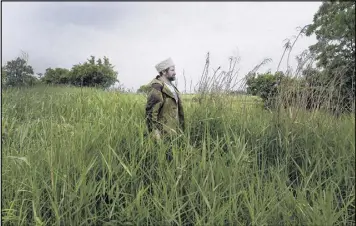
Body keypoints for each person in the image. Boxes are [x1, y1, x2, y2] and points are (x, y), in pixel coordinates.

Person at [145, 58, 185, 159]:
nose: (175, 73)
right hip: (162, 133)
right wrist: (154, 132)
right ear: (163, 72)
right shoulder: (157, 87)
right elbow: (151, 112)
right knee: (162, 159)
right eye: (172, 70)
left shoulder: (171, 86)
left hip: (174, 131)